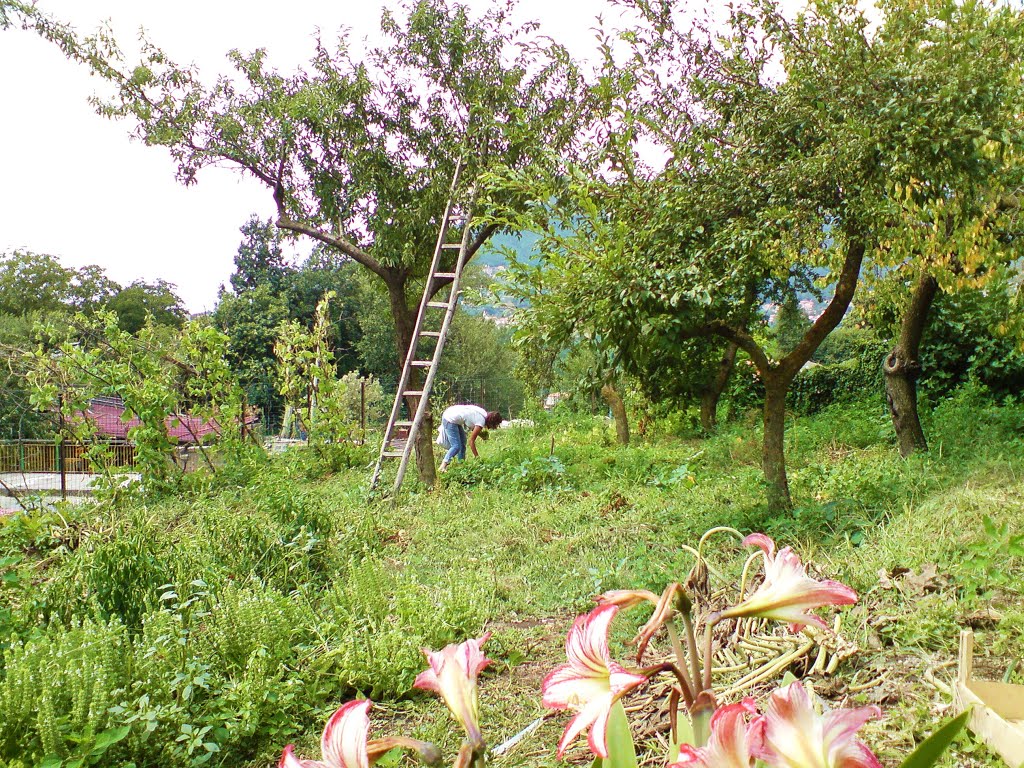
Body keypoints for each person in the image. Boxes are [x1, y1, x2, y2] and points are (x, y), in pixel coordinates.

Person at [437, 403, 502, 471]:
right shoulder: (481, 421)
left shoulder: (484, 413)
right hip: (449, 419)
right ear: (492, 422)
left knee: (463, 442)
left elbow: (472, 425)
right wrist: (477, 457)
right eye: (495, 425)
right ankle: (443, 466)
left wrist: (481, 435)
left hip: (452, 415)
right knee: (456, 446)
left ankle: (461, 465)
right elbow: (471, 441)